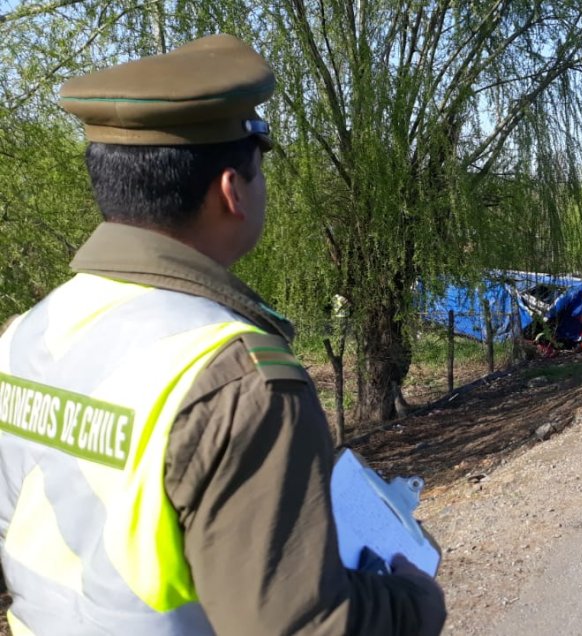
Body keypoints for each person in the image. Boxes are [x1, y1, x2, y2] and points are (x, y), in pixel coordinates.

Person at [0, 35, 445, 635]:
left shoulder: (27, 335)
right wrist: (414, 601)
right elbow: (304, 626)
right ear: (232, 190)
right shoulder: (239, 381)